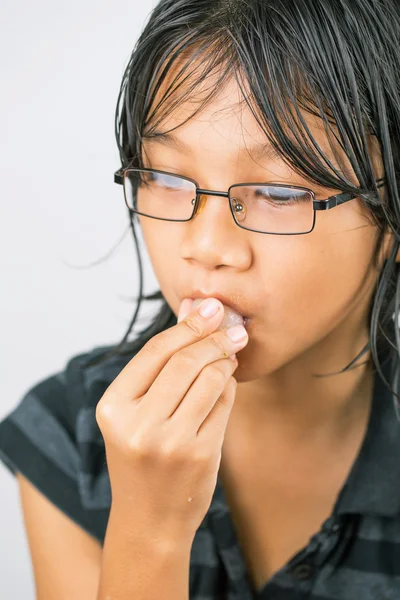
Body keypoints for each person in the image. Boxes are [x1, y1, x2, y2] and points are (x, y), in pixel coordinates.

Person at [1, 0, 400, 598]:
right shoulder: (72, 434)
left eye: (276, 191)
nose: (207, 246)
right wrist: (149, 529)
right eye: (163, 177)